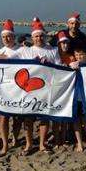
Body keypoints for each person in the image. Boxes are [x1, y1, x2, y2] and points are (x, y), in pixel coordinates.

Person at [17, 17, 60, 154]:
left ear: (45, 36)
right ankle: (29, 144)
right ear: (32, 37)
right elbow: (9, 60)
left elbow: (60, 68)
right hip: (29, 90)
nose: (39, 38)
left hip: (47, 89)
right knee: (28, 119)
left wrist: (49, 64)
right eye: (36, 36)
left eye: (41, 35)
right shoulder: (26, 51)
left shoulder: (53, 50)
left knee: (44, 118)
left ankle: (42, 144)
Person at [0, 19, 22, 149]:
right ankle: (5, 144)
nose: (6, 39)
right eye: (4, 37)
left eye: (8, 36)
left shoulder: (21, 50)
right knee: (3, 118)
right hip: (3, 90)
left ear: (13, 37)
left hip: (18, 88)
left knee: (17, 118)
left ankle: (15, 139)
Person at [67, 47, 86, 152]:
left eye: (81, 54)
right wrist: (70, 68)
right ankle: (79, 142)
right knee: (76, 120)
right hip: (75, 97)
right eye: (77, 55)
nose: (79, 57)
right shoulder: (72, 66)